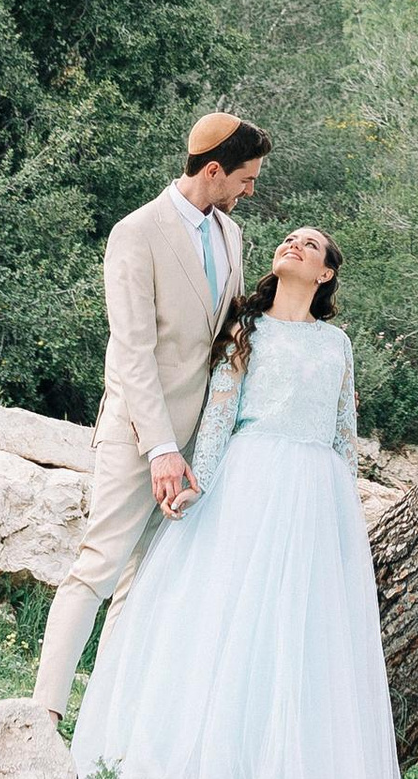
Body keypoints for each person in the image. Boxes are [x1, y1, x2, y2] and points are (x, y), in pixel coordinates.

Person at [69, 225, 407, 779]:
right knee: (226, 617)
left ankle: (275, 773)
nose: (295, 245)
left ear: (326, 273)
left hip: (315, 492)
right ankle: (205, 761)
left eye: (312, 244)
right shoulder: (244, 330)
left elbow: (341, 433)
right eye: (289, 238)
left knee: (294, 630)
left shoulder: (337, 344)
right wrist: (202, 488)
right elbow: (221, 417)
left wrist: (345, 513)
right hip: (250, 477)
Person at [32, 112, 269, 719]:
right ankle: (42, 715)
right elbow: (132, 349)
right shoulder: (135, 233)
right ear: (213, 171)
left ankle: (103, 725)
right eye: (245, 180)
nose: (250, 191)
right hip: (139, 433)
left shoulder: (232, 235)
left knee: (145, 584)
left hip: (199, 443)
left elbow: (226, 334)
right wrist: (161, 448)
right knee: (98, 566)